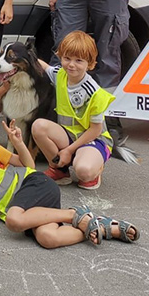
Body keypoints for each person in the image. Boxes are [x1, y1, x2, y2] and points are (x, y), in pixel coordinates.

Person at [0, 114, 140, 247]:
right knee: (47, 238)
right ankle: (102, 227)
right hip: (27, 209)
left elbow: (28, 166)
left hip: (34, 186)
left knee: (13, 221)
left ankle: (74, 214)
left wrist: (18, 143)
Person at [32, 31, 116, 190]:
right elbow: (44, 66)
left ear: (90, 63)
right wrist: (22, 56)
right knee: (39, 126)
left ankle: (95, 168)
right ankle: (60, 172)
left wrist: (69, 151)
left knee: (84, 173)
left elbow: (96, 130)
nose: (71, 64)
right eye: (67, 58)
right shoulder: (60, 75)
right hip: (68, 135)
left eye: (79, 60)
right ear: (60, 56)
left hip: (92, 139)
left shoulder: (94, 92)